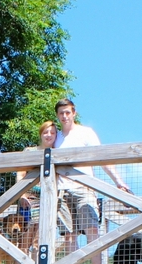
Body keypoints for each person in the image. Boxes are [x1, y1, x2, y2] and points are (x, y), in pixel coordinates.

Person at [51, 99, 130, 254]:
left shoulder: (86, 133)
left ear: (74, 112)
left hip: (84, 188)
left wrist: (118, 182)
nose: (65, 116)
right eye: (61, 113)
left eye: (67, 112)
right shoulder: (56, 137)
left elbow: (102, 159)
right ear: (57, 115)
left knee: (92, 230)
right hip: (62, 191)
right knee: (69, 235)